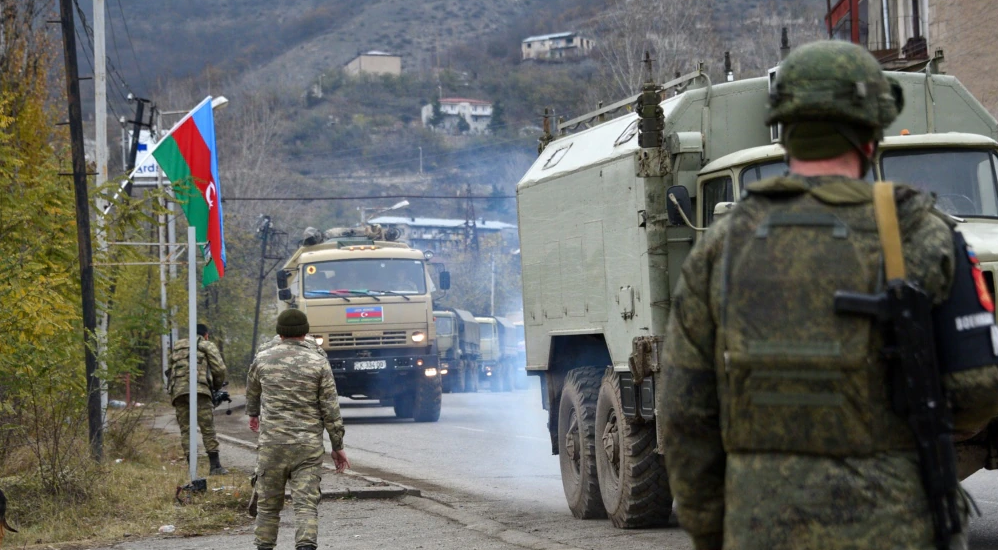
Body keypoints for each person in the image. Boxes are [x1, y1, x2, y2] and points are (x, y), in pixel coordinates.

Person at [662, 40, 998, 550]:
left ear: (786, 131)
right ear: (871, 132)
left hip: (760, 528)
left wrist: (717, 530)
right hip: (894, 524)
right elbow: (977, 390)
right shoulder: (924, 235)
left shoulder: (719, 250)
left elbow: (685, 417)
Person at [246, 309, 350, 550]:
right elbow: (330, 408)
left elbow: (252, 392)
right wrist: (338, 446)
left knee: (268, 507)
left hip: (272, 446)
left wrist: (253, 414)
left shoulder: (262, 359)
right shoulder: (319, 362)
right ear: (305, 332)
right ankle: (305, 546)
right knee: (305, 505)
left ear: (279, 333)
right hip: (307, 447)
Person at [245, 332, 327, 517]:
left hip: (274, 429)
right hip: (306, 431)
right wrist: (337, 441)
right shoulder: (315, 350)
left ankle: (260, 489)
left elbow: (252, 385)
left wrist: (253, 413)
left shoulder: (265, 349)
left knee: (268, 465)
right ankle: (306, 505)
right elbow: (326, 395)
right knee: (306, 481)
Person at [168, 323, 228, 475]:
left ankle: (191, 468)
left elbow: (169, 370)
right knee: (207, 428)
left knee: (186, 430)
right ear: (205, 334)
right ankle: (215, 467)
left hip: (179, 392)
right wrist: (215, 386)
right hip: (199, 390)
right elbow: (219, 369)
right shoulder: (205, 344)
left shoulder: (177, 346)